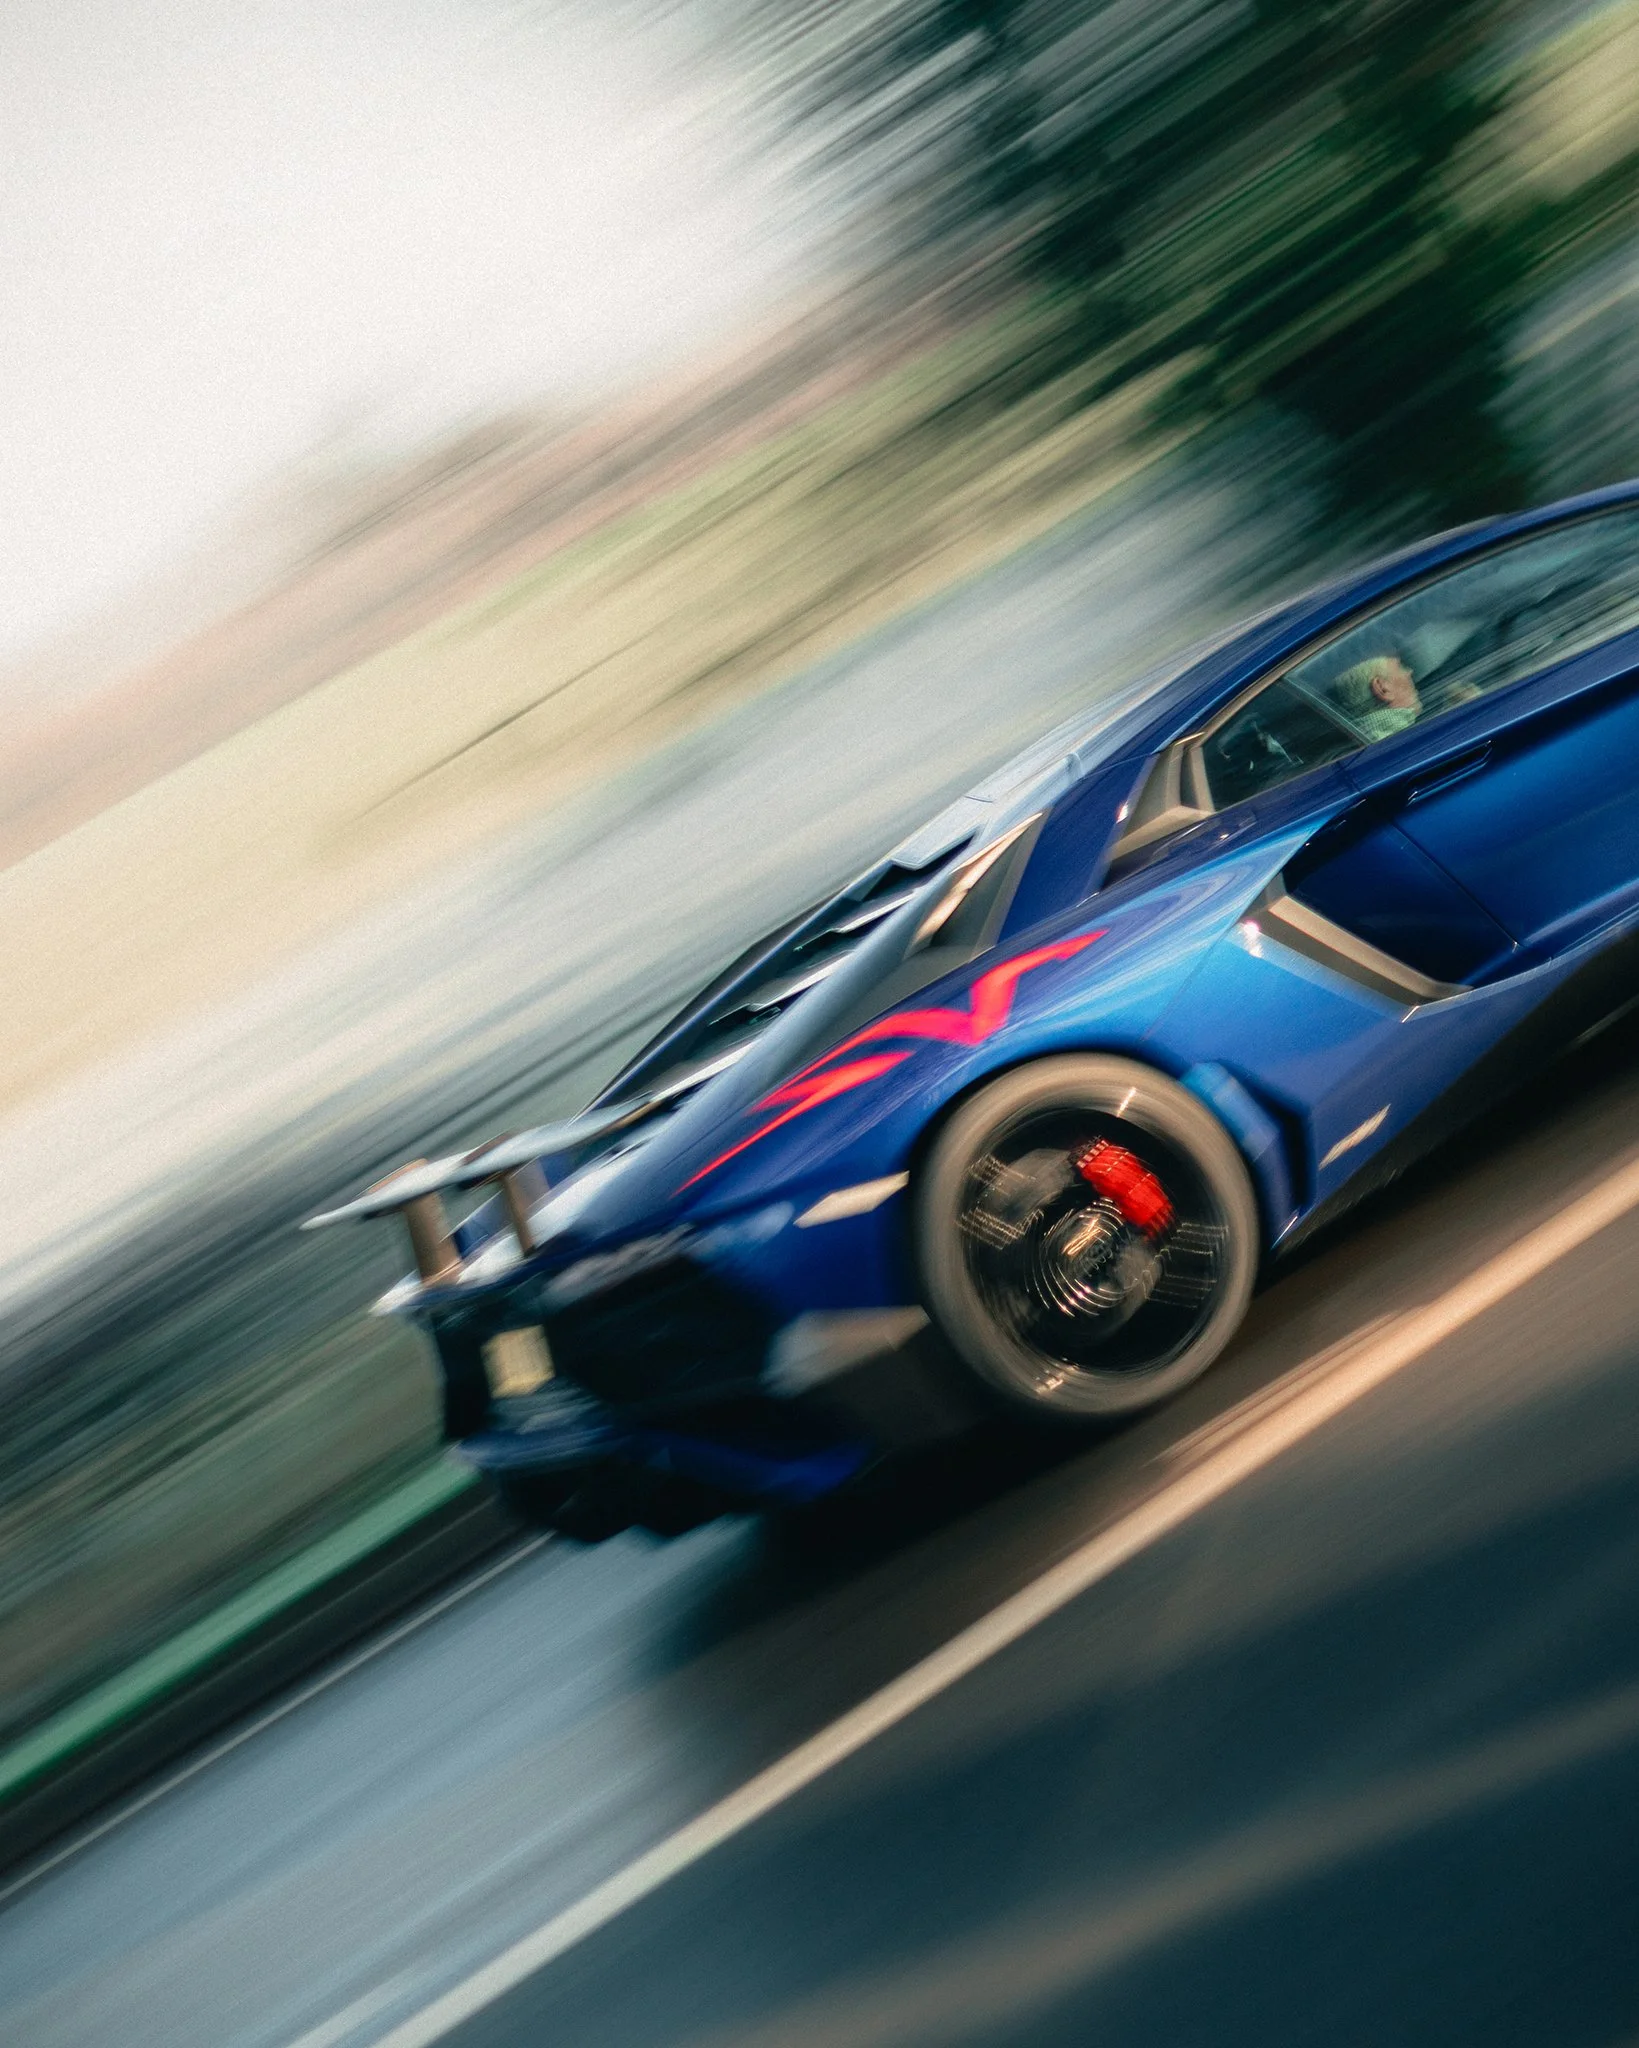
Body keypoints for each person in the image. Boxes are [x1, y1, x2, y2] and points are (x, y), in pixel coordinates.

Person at [1331, 652, 1422, 740]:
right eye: (1401, 667)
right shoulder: (1407, 737)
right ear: (1383, 689)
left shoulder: (1365, 739)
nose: (1409, 672)